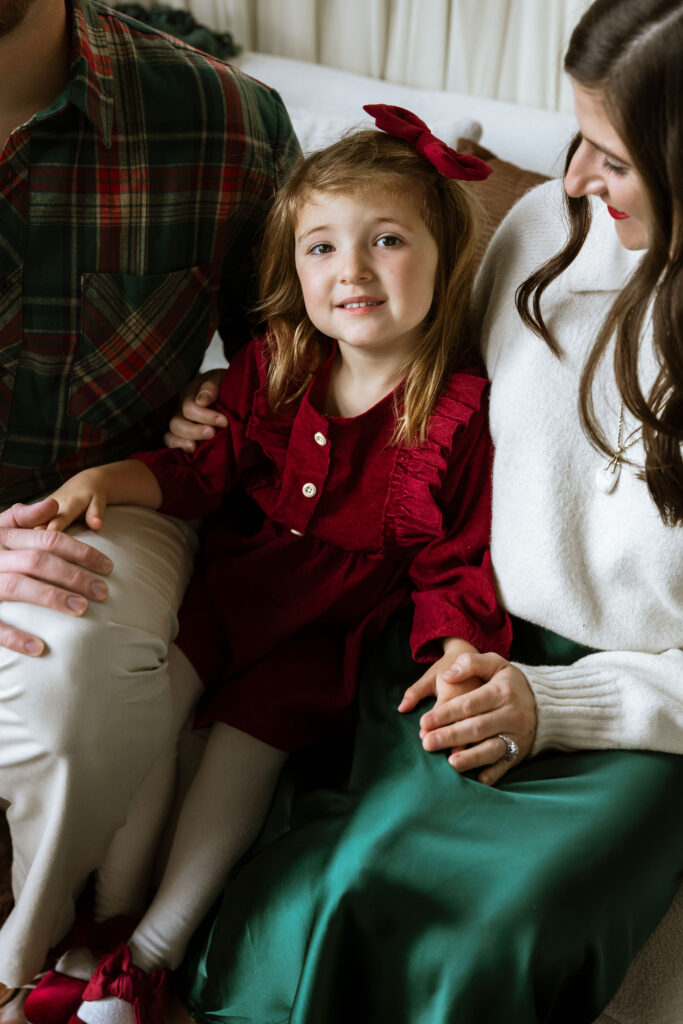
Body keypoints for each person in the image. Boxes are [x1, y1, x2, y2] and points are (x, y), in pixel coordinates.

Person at [167, 1, 683, 1022]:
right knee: (342, 884)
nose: (574, 176)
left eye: (611, 159)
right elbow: (399, 387)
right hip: (457, 637)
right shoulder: (549, 231)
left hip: (633, 714)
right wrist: (232, 399)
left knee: (485, 935)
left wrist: (558, 705)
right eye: (572, 138)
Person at [22, 107, 511, 1024]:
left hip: (324, 637)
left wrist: (453, 648)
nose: (350, 270)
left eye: (387, 240)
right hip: (229, 593)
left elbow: (457, 559)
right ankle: (99, 920)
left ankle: (153, 955)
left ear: (443, 257)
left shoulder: (455, 412)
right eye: (320, 248)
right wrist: (105, 481)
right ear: (292, 269)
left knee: (235, 759)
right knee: (147, 710)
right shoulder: (276, 363)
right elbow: (199, 473)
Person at [0, 0, 299, 1015]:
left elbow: (292, 374)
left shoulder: (226, 124)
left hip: (111, 491)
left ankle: (21, 966)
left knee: (77, 693)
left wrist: (220, 403)